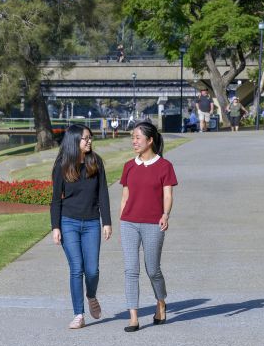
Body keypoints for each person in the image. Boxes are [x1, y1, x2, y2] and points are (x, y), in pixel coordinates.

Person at [51, 124, 113, 329]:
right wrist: (55, 227)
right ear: (74, 141)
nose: (89, 141)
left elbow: (103, 193)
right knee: (76, 268)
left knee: (92, 270)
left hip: (92, 223)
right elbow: (55, 200)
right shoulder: (61, 165)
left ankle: (91, 295)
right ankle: (79, 314)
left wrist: (107, 222)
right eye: (85, 138)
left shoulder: (96, 162)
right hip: (68, 222)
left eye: (90, 138)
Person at [119, 121, 178, 332]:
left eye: (137, 137)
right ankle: (133, 317)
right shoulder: (128, 166)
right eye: (132, 138)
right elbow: (125, 195)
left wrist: (165, 214)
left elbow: (168, 194)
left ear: (150, 140)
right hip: (129, 223)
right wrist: (121, 217)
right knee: (130, 270)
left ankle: (161, 302)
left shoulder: (165, 166)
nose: (134, 141)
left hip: (154, 223)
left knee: (153, 270)